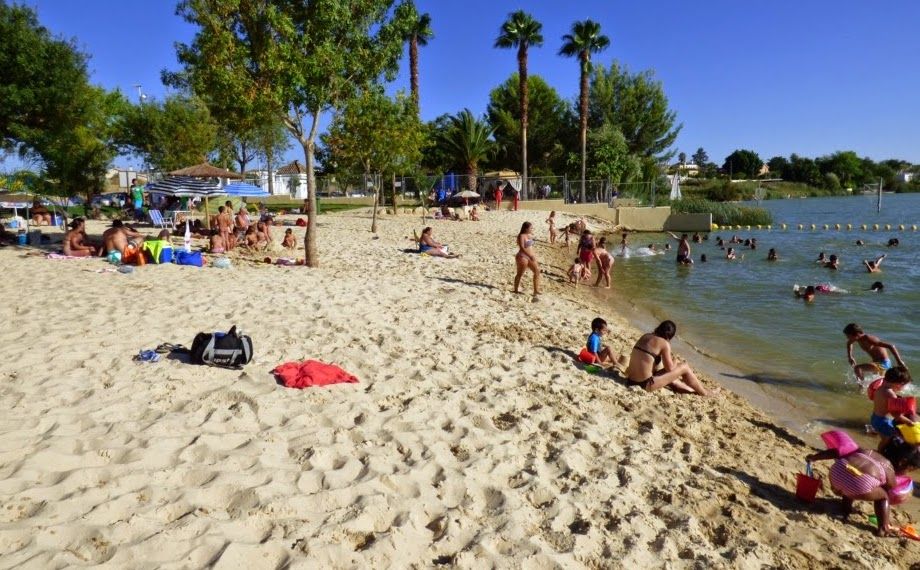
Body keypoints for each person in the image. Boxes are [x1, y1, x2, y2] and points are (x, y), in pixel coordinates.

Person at [805, 437, 898, 536]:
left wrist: (814, 457)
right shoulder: (888, 466)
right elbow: (891, 486)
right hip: (856, 486)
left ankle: (846, 507)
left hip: (837, 473)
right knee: (883, 496)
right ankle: (883, 528)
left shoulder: (864, 451)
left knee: (854, 474)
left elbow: (836, 452)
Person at [625, 320, 712, 396]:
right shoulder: (664, 343)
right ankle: (704, 393)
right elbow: (669, 368)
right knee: (684, 367)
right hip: (644, 384)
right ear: (670, 336)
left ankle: (695, 390)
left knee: (674, 380)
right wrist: (675, 360)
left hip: (630, 380)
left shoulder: (645, 336)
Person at [870, 366, 916, 450]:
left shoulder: (880, 388)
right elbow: (895, 415)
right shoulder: (891, 395)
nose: (903, 388)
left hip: (875, 417)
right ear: (899, 384)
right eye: (903, 385)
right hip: (883, 422)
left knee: (885, 434)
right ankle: (879, 451)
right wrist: (909, 422)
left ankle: (876, 431)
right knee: (887, 438)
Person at [513, 222, 540, 297]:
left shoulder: (529, 235)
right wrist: (530, 255)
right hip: (522, 256)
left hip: (530, 256)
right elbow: (522, 247)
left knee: (537, 271)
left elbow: (530, 247)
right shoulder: (521, 236)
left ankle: (536, 291)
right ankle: (515, 290)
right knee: (520, 274)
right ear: (526, 228)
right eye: (531, 228)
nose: (532, 229)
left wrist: (533, 255)